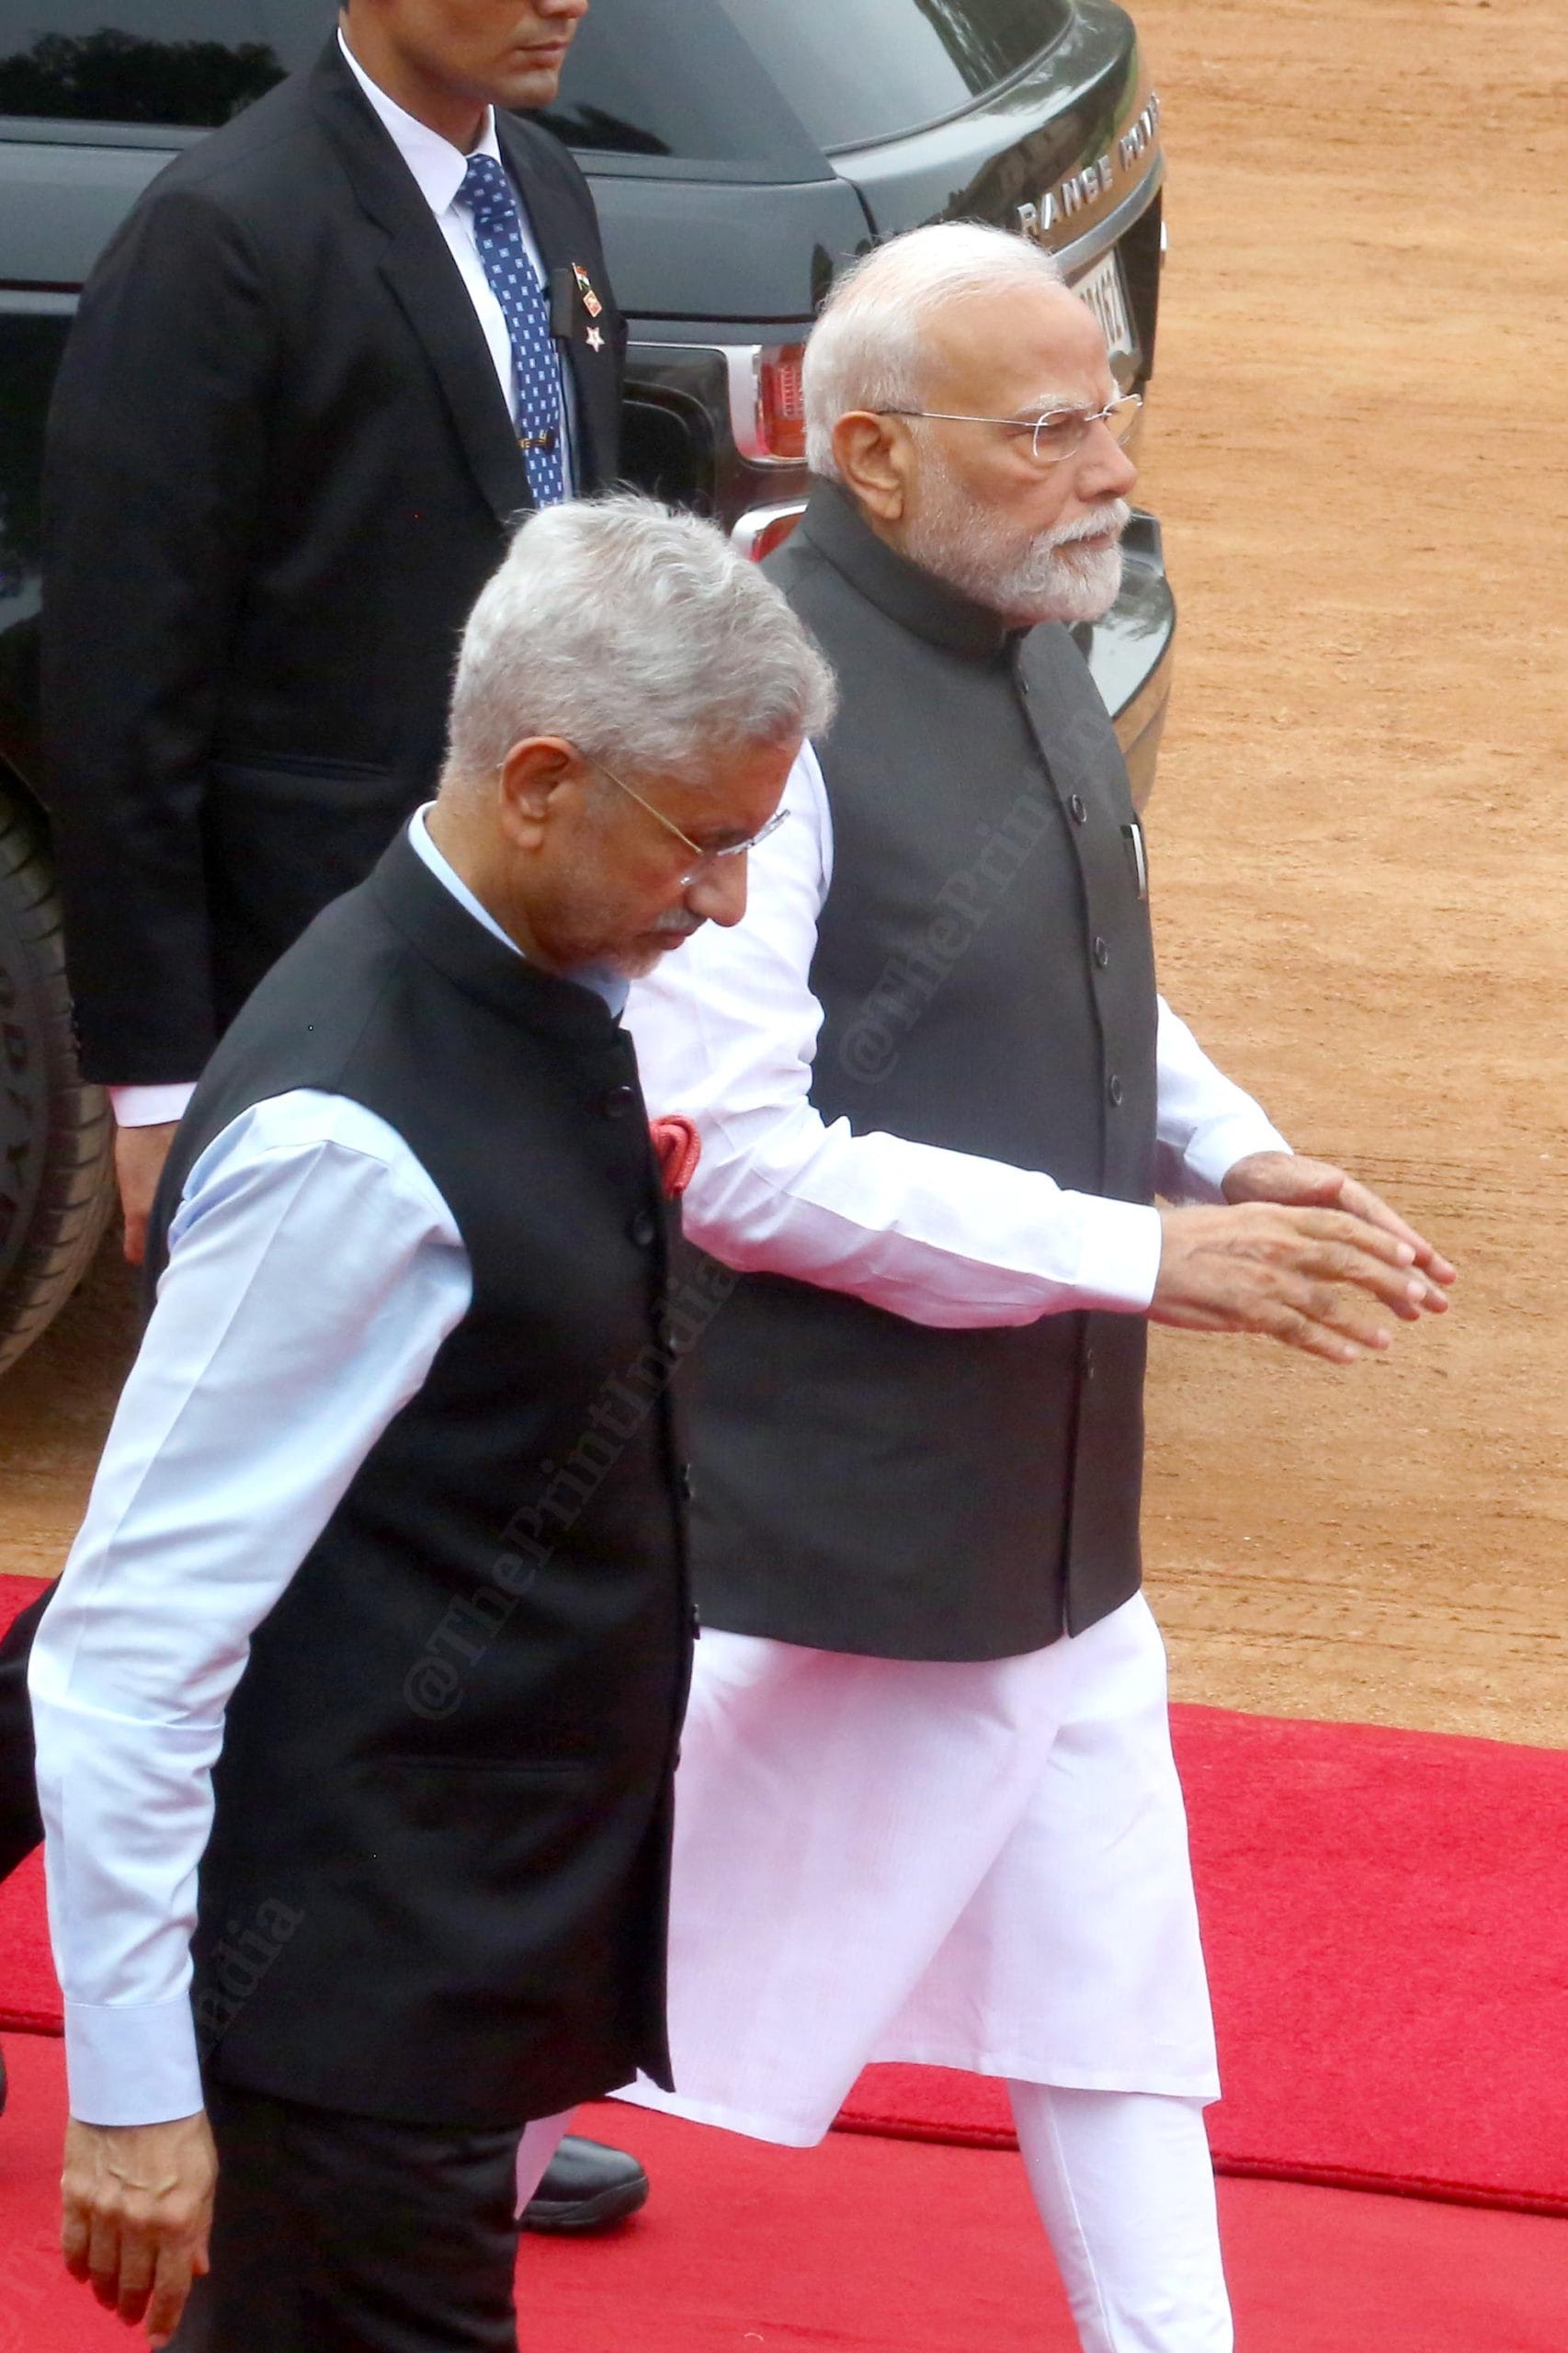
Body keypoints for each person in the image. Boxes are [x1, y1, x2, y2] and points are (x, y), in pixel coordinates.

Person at [617, 225, 1456, 2353]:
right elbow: (732, 1156)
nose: (1107, 465)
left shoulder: (1033, 636)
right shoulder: (756, 719)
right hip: (823, 1525)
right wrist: (1141, 1255)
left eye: (1114, 410)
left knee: (1106, 1973)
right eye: (1048, 427)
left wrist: (1229, 1145)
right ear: (872, 455)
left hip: (1035, 1505)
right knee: (596, 1974)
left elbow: (1090, 979)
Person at [28, 494, 836, 2352]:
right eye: (704, 845)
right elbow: (127, 1644)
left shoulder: (528, 972)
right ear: (542, 780)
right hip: (343, 2023)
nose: (720, 904)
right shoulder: (347, 1143)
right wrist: (141, 2086)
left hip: (433, 1984)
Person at [4, 0, 641, 2220]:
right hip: (311, 1019)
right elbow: (125, 680)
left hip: (498, 985)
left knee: (378, 1533)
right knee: (226, 1564)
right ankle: (329, 2058)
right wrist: (163, 1080)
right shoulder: (228, 236)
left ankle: (439, 2059)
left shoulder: (538, 195)